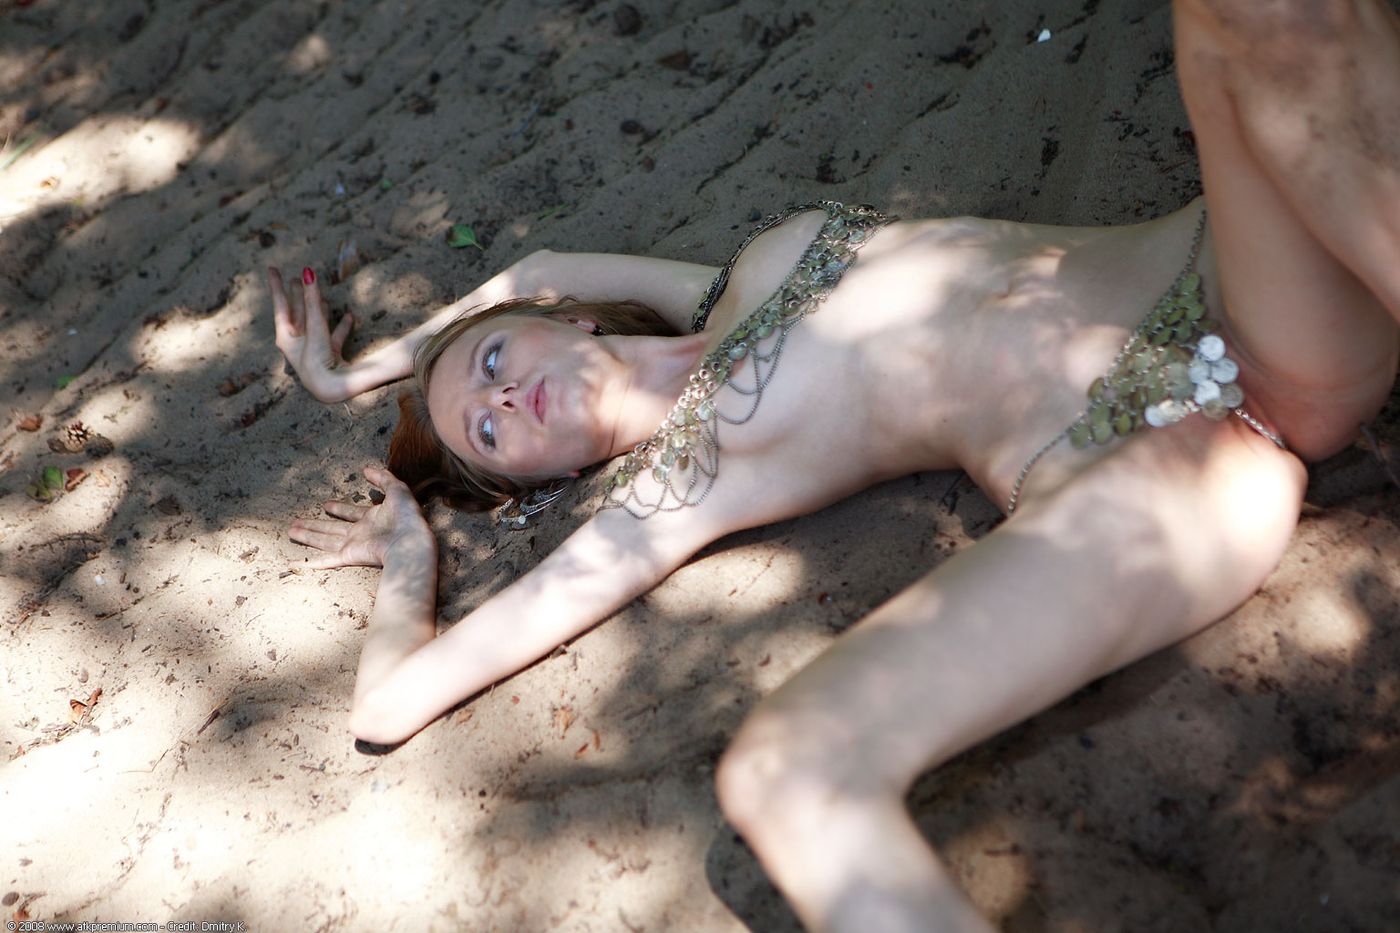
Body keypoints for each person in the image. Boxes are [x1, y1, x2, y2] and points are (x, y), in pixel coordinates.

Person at [267, 1, 1399, 929]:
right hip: (1172, 438)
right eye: (489, 432)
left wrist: (358, 372)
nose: (506, 397)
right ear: (543, 482)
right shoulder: (671, 490)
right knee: (786, 772)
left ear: (562, 318)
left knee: (1256, 15)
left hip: (1225, 260)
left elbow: (535, 261)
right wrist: (406, 550)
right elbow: (390, 704)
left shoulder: (737, 277)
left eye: (495, 363)